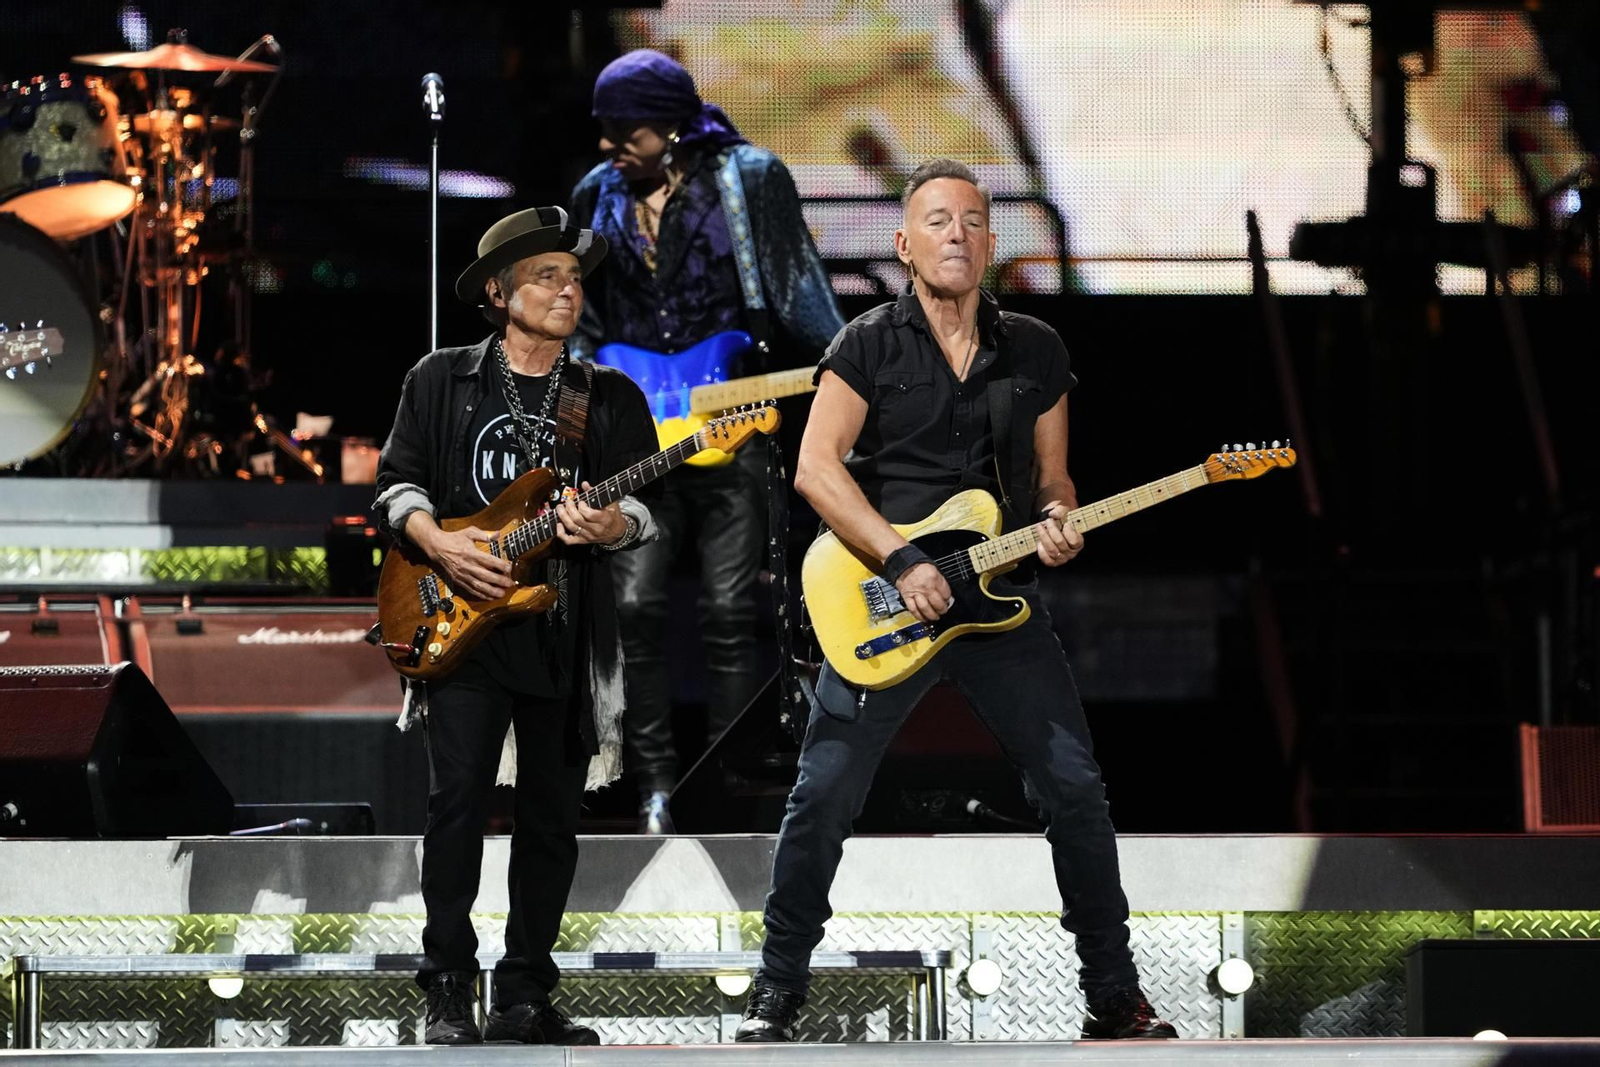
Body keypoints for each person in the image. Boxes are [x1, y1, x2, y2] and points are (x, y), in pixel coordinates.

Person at [736, 160, 1178, 1042]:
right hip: (885, 597)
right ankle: (776, 989)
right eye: (938, 220)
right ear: (904, 244)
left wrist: (1058, 520)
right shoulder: (866, 343)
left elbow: (1054, 480)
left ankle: (1113, 994)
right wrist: (902, 561)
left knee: (1074, 789)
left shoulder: (1036, 349)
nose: (958, 234)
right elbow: (816, 469)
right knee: (823, 795)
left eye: (974, 220)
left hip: (998, 606)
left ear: (992, 242)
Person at [374, 206, 661, 1046]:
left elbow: (650, 511)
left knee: (551, 821)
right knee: (455, 805)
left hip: (562, 631)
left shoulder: (605, 395)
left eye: (574, 278)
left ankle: (524, 994)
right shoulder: (441, 379)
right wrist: (444, 546)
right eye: (547, 276)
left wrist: (612, 525)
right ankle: (446, 987)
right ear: (500, 294)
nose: (568, 290)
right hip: (458, 624)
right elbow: (396, 487)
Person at [569, 49, 846, 834]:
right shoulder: (596, 193)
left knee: (729, 611)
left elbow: (798, 286)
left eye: (625, 131)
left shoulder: (748, 178)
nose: (607, 145)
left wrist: (854, 363)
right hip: (638, 445)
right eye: (604, 129)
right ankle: (656, 787)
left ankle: (726, 782)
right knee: (633, 608)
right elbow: (584, 316)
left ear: (671, 127)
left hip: (735, 428)